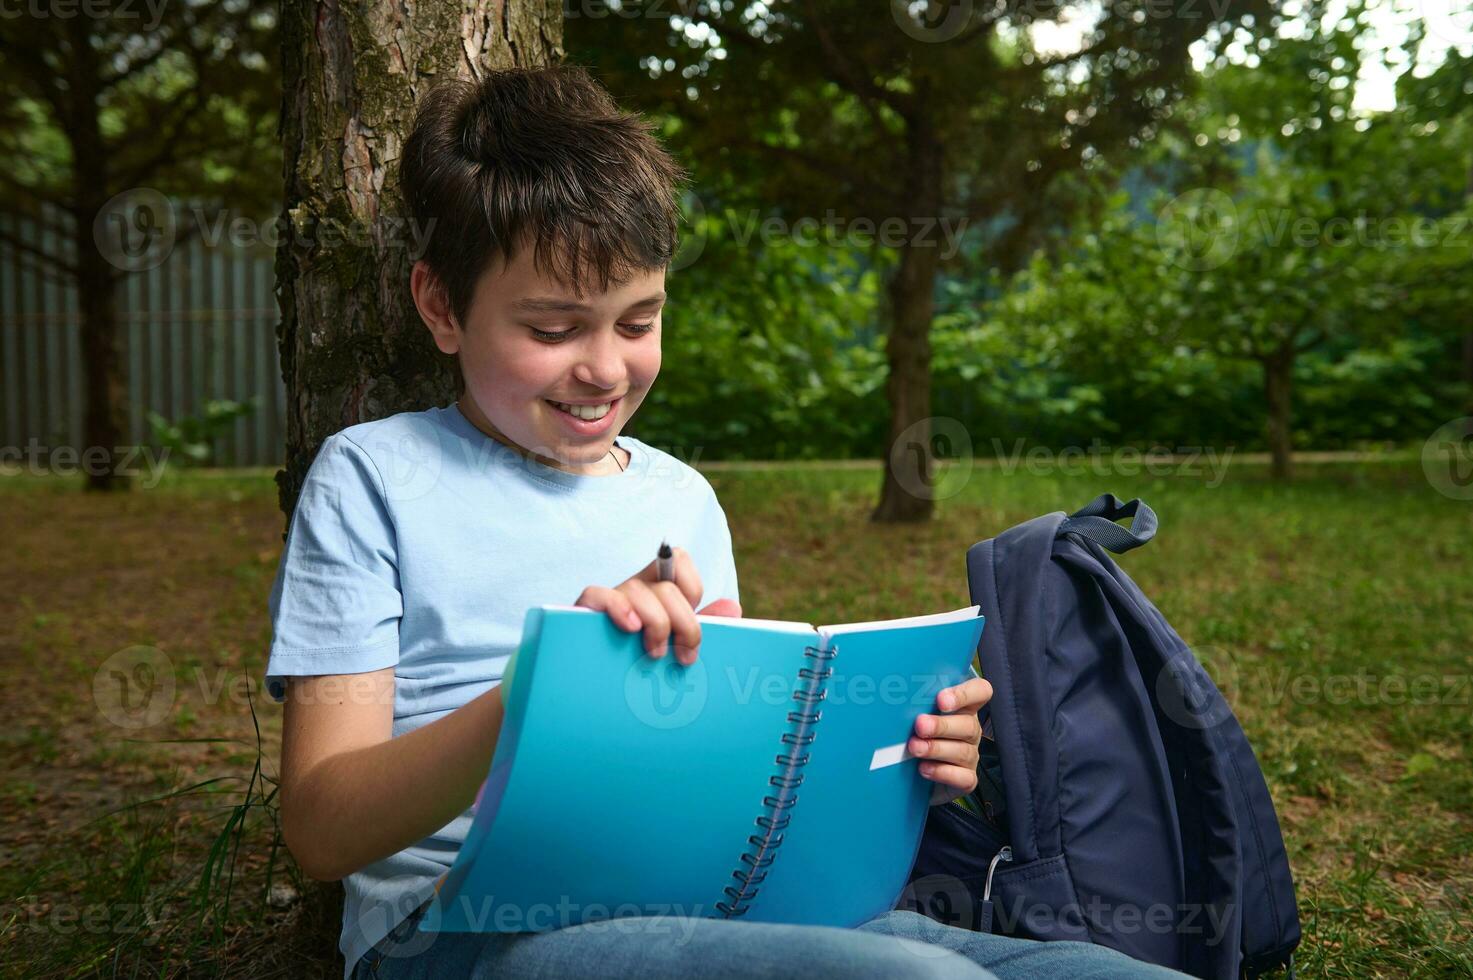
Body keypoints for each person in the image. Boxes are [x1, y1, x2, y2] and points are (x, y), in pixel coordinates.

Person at [264, 64, 1187, 980]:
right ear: (440, 305)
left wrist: (908, 764)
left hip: (709, 906)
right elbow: (321, 826)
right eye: (552, 330)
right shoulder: (373, 478)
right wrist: (546, 696)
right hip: (460, 932)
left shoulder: (680, 499)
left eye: (638, 321)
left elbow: (734, 786)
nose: (604, 369)